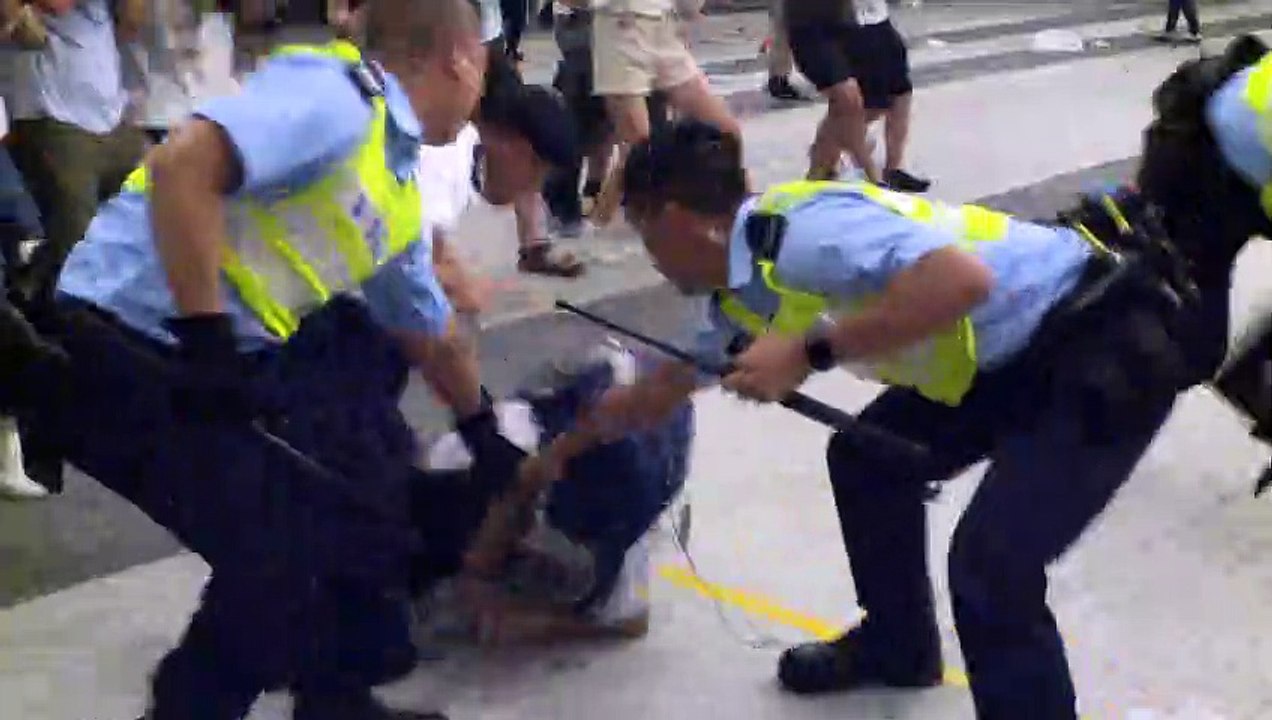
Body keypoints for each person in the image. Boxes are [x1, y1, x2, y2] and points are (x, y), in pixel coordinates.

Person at [512, 78, 1272, 714]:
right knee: (868, 459)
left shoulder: (803, 234)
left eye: (646, 234)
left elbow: (960, 281)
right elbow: (662, 390)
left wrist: (809, 353)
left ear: (679, 221)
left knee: (992, 566)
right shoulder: (739, 290)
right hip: (1008, 352)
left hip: (1101, 338)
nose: (648, 256)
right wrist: (554, 458)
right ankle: (899, 643)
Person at [7, 1, 541, 718]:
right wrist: (209, 340)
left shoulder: (392, 176)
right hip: (123, 339)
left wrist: (482, 428)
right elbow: (182, 165)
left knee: (356, 507)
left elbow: (426, 326)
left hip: (207, 348)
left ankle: (334, 699)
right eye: (483, 68)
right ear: (459, 58)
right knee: (275, 561)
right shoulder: (338, 99)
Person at [410, 338, 693, 643]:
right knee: (453, 470)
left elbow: (629, 621)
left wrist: (515, 620)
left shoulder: (618, 514)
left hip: (626, 471)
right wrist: (481, 563)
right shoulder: (559, 409)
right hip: (570, 424)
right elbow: (521, 479)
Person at [8, 0, 149, 304]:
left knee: (139, 225)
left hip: (109, 108)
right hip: (50, 110)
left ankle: (30, 293)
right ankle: (48, 322)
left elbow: (134, 21)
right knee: (76, 241)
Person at [580, 0, 741, 227]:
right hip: (620, 24)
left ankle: (738, 215)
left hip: (664, 28)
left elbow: (690, 8)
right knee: (639, 150)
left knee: (726, 131)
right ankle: (601, 227)